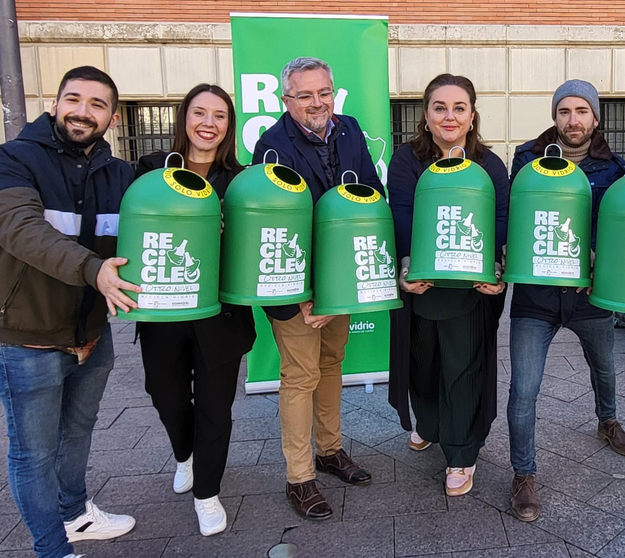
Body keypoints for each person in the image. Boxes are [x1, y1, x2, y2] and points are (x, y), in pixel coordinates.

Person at [0, 66, 138, 558]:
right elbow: (20, 230)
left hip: (92, 335)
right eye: (74, 100)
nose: (84, 111)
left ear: (112, 117)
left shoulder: (120, 174)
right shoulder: (14, 159)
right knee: (32, 454)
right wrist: (93, 268)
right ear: (55, 104)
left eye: (97, 104)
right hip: (28, 338)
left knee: (78, 432)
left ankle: (74, 513)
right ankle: (51, 549)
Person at [252, 57, 382, 519]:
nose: (317, 103)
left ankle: (329, 451)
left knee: (331, 365)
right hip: (296, 290)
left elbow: (371, 193)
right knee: (300, 377)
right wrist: (307, 293)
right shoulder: (271, 146)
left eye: (323, 92)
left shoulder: (349, 129)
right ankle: (300, 477)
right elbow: (276, 226)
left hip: (340, 281)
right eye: (305, 95)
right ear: (286, 100)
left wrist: (345, 281)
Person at [505, 79, 625, 522]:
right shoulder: (527, 158)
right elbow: (511, 211)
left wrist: (597, 251)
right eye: (564, 111)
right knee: (523, 387)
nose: (572, 120)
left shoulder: (615, 167)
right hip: (536, 296)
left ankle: (608, 421)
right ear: (555, 116)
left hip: (589, 292)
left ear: (595, 118)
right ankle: (524, 475)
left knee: (604, 366)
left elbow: (613, 219)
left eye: (582, 111)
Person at [134, 84, 256, 536]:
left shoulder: (241, 180)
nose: (209, 123)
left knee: (214, 407)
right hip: (164, 310)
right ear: (184, 117)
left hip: (220, 316)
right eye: (200, 113)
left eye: (220, 115)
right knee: (164, 395)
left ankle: (208, 493)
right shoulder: (150, 171)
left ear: (229, 125)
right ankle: (183, 452)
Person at [387, 73, 509, 497]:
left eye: (459, 108)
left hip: (467, 290)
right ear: (426, 115)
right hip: (420, 283)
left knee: (463, 368)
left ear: (472, 116)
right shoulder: (407, 160)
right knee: (421, 363)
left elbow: (501, 218)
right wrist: (406, 265)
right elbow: (400, 212)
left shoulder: (489, 164)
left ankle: (460, 452)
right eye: (440, 107)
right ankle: (430, 424)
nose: (449, 116)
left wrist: (495, 268)